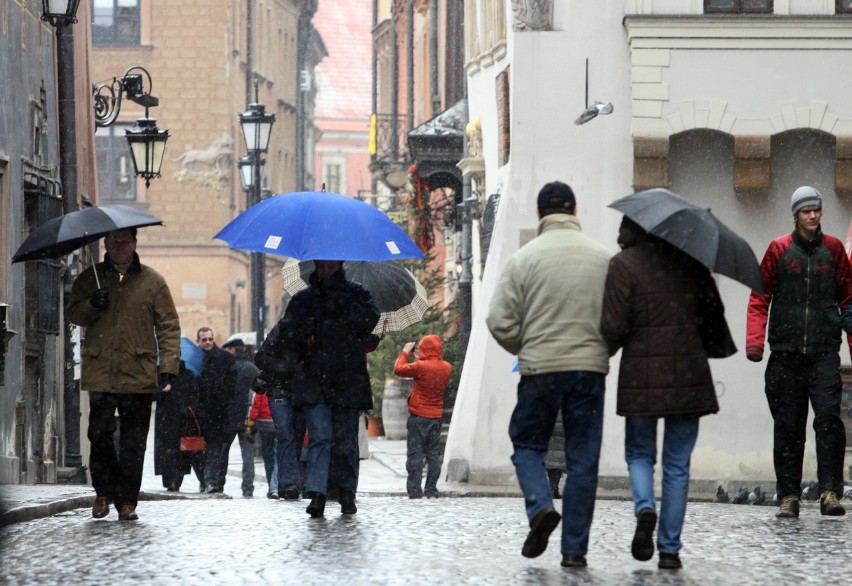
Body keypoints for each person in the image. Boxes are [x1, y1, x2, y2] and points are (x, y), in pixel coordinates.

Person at [486, 181, 611, 568]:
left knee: (527, 444)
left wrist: (526, 348)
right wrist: (600, 349)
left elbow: (498, 320)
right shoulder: (602, 258)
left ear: (540, 214)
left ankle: (541, 505)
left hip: (540, 368)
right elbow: (620, 319)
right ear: (574, 212)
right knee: (583, 460)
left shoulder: (525, 259)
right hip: (588, 369)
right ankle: (574, 550)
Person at [601, 216, 736, 570]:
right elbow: (713, 318)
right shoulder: (691, 263)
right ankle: (670, 549)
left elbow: (613, 327)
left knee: (640, 454)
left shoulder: (623, 264)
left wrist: (604, 350)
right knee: (678, 466)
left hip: (641, 377)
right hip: (688, 377)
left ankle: (645, 507)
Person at [746, 186, 852, 519]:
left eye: (816, 210)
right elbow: (760, 296)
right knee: (788, 427)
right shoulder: (779, 250)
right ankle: (789, 495)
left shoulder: (834, 250)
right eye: (806, 211)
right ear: (796, 214)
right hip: (786, 353)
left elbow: (848, 299)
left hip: (823, 352)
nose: (812, 215)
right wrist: (754, 341)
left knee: (829, 423)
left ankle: (830, 491)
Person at [68, 228, 181, 521]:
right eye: (114, 241)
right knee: (99, 435)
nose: (119, 246)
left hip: (138, 374)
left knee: (134, 442)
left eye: (125, 241)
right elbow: (74, 314)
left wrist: (168, 367)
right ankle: (103, 492)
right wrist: (92, 305)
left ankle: (128, 501)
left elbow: (168, 326)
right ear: (106, 244)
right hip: (101, 372)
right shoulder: (91, 278)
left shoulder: (152, 282)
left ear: (134, 244)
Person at [256, 260, 379, 518]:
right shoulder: (304, 300)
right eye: (322, 266)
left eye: (331, 265)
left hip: (347, 380)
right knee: (320, 436)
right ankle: (317, 492)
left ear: (339, 265)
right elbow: (287, 334)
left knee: (345, 439)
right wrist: (305, 334)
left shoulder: (356, 294)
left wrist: (344, 305)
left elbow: (369, 322)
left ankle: (346, 490)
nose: (326, 270)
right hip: (315, 380)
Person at [393, 335, 452, 499]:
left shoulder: (420, 367)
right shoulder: (446, 367)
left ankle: (414, 490)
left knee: (415, 454)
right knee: (433, 455)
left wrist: (405, 352)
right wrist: (419, 357)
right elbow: (429, 367)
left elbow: (399, 368)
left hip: (418, 416)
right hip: (436, 417)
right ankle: (431, 490)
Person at [196, 327, 237, 494]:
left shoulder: (225, 358)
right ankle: (206, 480)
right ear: (198, 341)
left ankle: (213, 482)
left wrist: (225, 402)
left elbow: (231, 384)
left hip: (218, 412)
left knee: (216, 448)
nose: (207, 342)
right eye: (204, 339)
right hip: (198, 412)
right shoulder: (194, 359)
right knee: (198, 451)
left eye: (210, 339)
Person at [153, 359, 200, 491]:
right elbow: (151, 394)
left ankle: (177, 481)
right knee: (166, 452)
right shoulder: (160, 374)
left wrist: (188, 409)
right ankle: (168, 480)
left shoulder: (188, 375)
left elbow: (195, 396)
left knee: (181, 452)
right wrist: (162, 391)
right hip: (165, 421)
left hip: (183, 421)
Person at [221, 338, 258, 497]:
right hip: (248, 417)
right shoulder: (253, 369)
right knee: (248, 456)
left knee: (223, 453)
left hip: (229, 417)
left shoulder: (228, 367)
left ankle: (218, 483)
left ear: (233, 350)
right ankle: (248, 487)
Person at [246, 389, 279, 499]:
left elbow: (256, 403)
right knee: (277, 456)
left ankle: (272, 486)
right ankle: (275, 486)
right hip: (278, 422)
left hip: (264, 424)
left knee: (268, 457)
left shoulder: (262, 384)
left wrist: (250, 424)